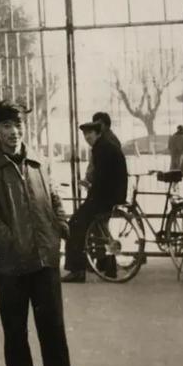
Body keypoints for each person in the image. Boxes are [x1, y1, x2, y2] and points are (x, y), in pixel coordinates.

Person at [0, 100, 92, 366]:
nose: (14, 131)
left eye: (18, 124)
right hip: (9, 263)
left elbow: (54, 195)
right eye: (7, 126)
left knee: (53, 328)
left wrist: (60, 224)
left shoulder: (39, 161)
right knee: (15, 330)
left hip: (44, 258)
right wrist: (9, 238)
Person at [63, 121, 128, 283]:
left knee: (74, 225)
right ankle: (107, 266)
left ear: (98, 133)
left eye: (90, 133)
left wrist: (91, 191)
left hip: (104, 197)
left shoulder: (102, 149)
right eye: (85, 134)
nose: (87, 137)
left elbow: (101, 178)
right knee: (101, 231)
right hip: (112, 196)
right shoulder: (106, 146)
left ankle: (77, 270)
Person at [81, 112, 120, 190]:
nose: (95, 127)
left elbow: (101, 168)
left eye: (97, 124)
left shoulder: (105, 143)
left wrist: (90, 180)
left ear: (104, 125)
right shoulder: (107, 140)